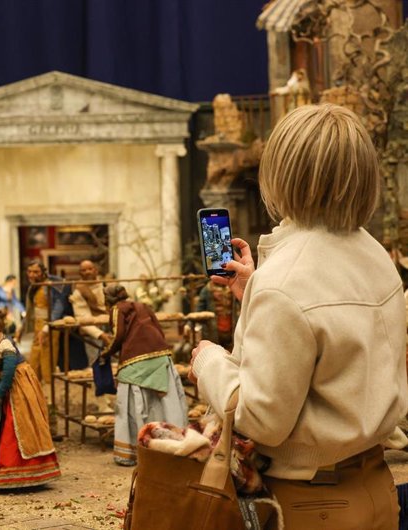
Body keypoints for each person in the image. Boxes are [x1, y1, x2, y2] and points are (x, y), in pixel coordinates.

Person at [189, 104, 408, 530]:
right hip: (376, 487)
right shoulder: (372, 253)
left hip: (313, 503)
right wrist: (257, 287)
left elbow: (262, 419)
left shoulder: (284, 284)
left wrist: (208, 363)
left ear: (281, 174)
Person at [102, 284, 187, 466]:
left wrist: (106, 353)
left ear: (108, 299)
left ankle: (134, 451)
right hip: (160, 357)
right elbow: (158, 327)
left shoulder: (117, 309)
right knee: (166, 403)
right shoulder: (142, 305)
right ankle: (173, 447)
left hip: (134, 360)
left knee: (132, 406)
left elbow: (118, 335)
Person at [0, 310, 61, 488]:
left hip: (19, 387)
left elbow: (7, 376)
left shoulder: (5, 345)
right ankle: (11, 475)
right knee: (6, 427)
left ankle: (23, 474)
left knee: (19, 427)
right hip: (11, 386)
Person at [18, 260, 85, 395]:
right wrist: (22, 326)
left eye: (36, 272)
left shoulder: (53, 285)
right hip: (38, 325)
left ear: (43, 272)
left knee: (47, 359)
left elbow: (58, 307)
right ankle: (35, 391)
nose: (32, 275)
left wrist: (47, 327)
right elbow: (31, 309)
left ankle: (48, 394)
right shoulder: (34, 287)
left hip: (49, 326)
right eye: (29, 272)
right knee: (34, 359)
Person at [69, 260, 113, 411]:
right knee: (97, 365)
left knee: (115, 365)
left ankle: (112, 397)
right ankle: (101, 402)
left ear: (95, 269)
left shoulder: (105, 285)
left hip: (111, 328)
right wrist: (100, 335)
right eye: (84, 270)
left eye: (90, 269)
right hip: (94, 333)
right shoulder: (78, 292)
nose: (88, 272)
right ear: (80, 273)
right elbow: (83, 317)